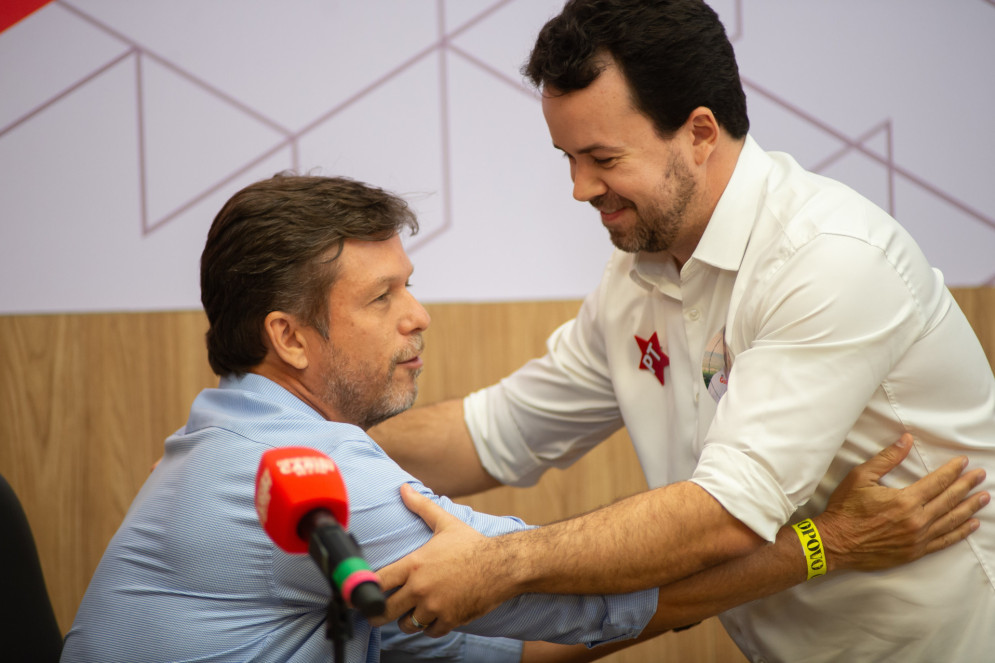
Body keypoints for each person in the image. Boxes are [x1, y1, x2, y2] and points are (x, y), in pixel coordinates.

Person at [59, 175, 981, 663]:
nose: (419, 315)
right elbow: (579, 603)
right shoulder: (310, 479)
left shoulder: (239, 436)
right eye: (384, 297)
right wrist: (827, 544)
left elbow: (504, 634)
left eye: (409, 287)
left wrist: (525, 588)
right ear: (288, 339)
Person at [369, 1, 995, 661]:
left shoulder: (828, 256)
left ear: (698, 133)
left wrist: (500, 562)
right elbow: (497, 430)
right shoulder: (636, 274)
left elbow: (726, 514)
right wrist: (308, 441)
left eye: (601, 157)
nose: (579, 188)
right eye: (567, 158)